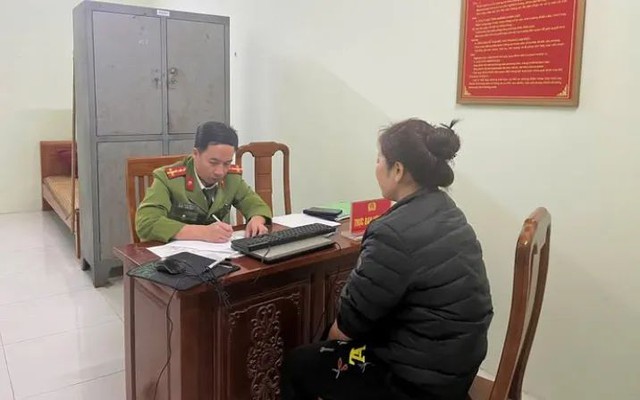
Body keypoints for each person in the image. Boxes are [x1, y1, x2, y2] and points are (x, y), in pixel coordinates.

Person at [280, 119, 493, 400]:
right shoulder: (448, 210)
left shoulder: (392, 232)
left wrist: (326, 350)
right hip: (456, 367)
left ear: (398, 170)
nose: (376, 166)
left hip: (414, 382)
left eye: (379, 159)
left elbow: (348, 327)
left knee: (299, 364)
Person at [135, 121, 272, 243]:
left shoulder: (231, 178)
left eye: (227, 163)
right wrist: (203, 232)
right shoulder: (168, 179)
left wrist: (256, 220)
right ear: (196, 154)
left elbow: (256, 205)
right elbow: (146, 223)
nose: (220, 172)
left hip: (221, 256)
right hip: (176, 258)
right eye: (213, 162)